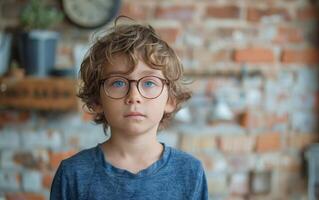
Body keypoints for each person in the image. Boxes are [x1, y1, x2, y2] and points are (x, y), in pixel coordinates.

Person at [50, 16, 208, 200]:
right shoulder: (73, 174)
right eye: (118, 82)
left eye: (149, 83)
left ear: (170, 100)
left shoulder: (190, 172)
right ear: (97, 100)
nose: (134, 96)